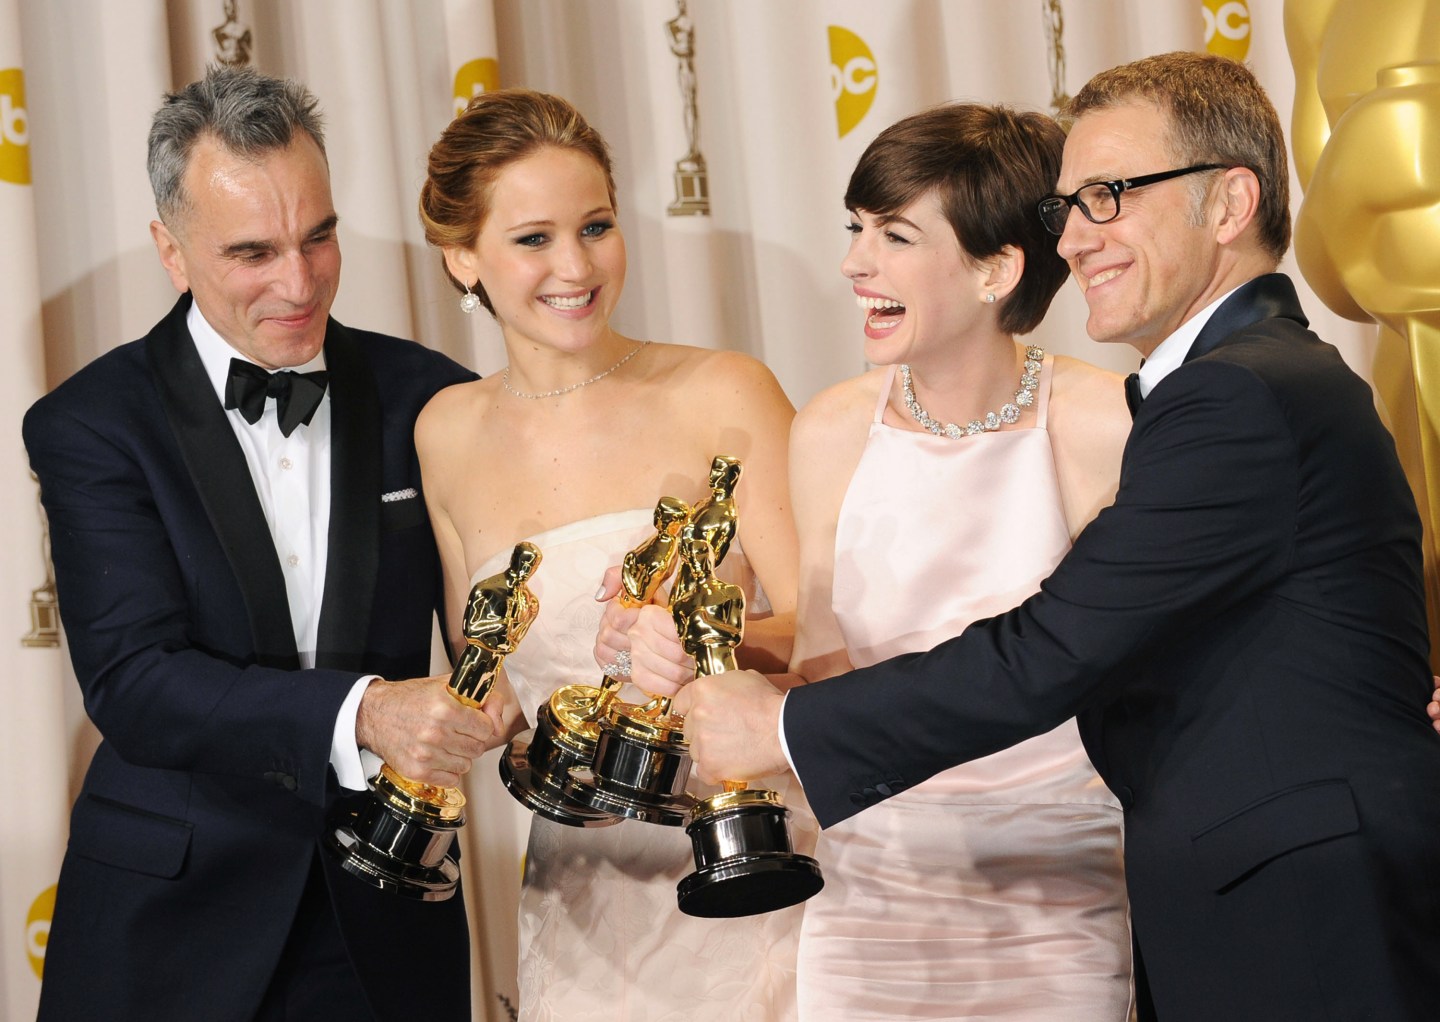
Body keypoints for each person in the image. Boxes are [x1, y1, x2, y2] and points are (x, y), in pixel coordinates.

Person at [671, 52, 1440, 1020]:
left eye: (1109, 197)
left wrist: (778, 726)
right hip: (1224, 894)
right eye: (1067, 207)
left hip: (1292, 910)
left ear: (1230, 202)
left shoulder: (1236, 393)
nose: (1074, 239)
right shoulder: (1250, 381)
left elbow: (1050, 649)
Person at [623, 103, 1133, 1019]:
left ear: (996, 268)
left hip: (1053, 887)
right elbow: (827, 661)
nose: (857, 264)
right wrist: (706, 650)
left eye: (895, 235)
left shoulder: (1099, 423)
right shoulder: (830, 428)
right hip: (871, 885)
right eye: (856, 230)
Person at [23, 66, 481, 1021]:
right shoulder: (93, 423)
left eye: (319, 237)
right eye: (252, 252)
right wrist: (365, 713)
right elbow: (135, 683)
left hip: (386, 923)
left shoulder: (431, 398)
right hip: (169, 927)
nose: (299, 281)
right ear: (171, 250)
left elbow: (492, 636)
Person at [413, 88, 805, 1020]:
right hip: (583, 902)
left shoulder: (725, 389)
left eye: (595, 226)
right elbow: (491, 676)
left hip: (753, 867)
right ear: (462, 256)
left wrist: (713, 648)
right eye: (533, 238)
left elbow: (828, 632)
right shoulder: (445, 433)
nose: (576, 266)